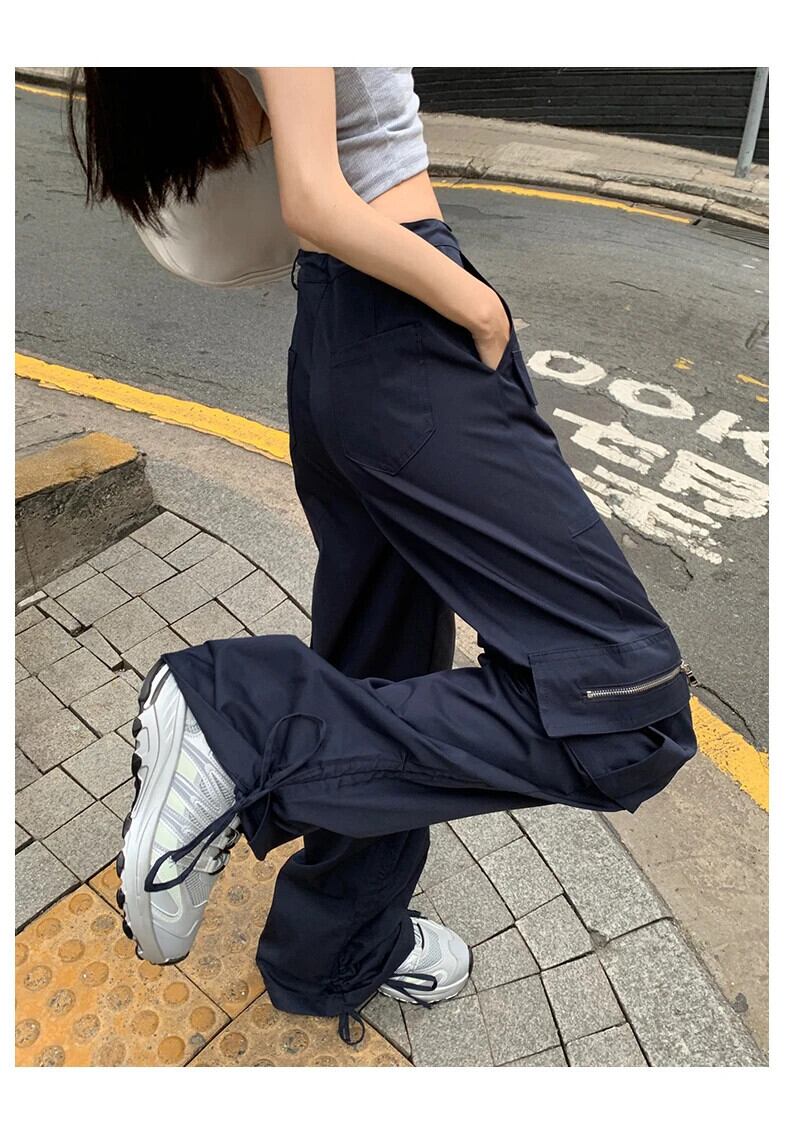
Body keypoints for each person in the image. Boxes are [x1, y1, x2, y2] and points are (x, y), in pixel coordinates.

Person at [68, 67, 698, 1046]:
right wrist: (475, 305)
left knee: (382, 672)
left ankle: (335, 949)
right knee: (631, 711)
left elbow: (252, 123)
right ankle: (236, 720)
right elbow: (313, 198)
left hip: (339, 332)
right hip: (403, 321)